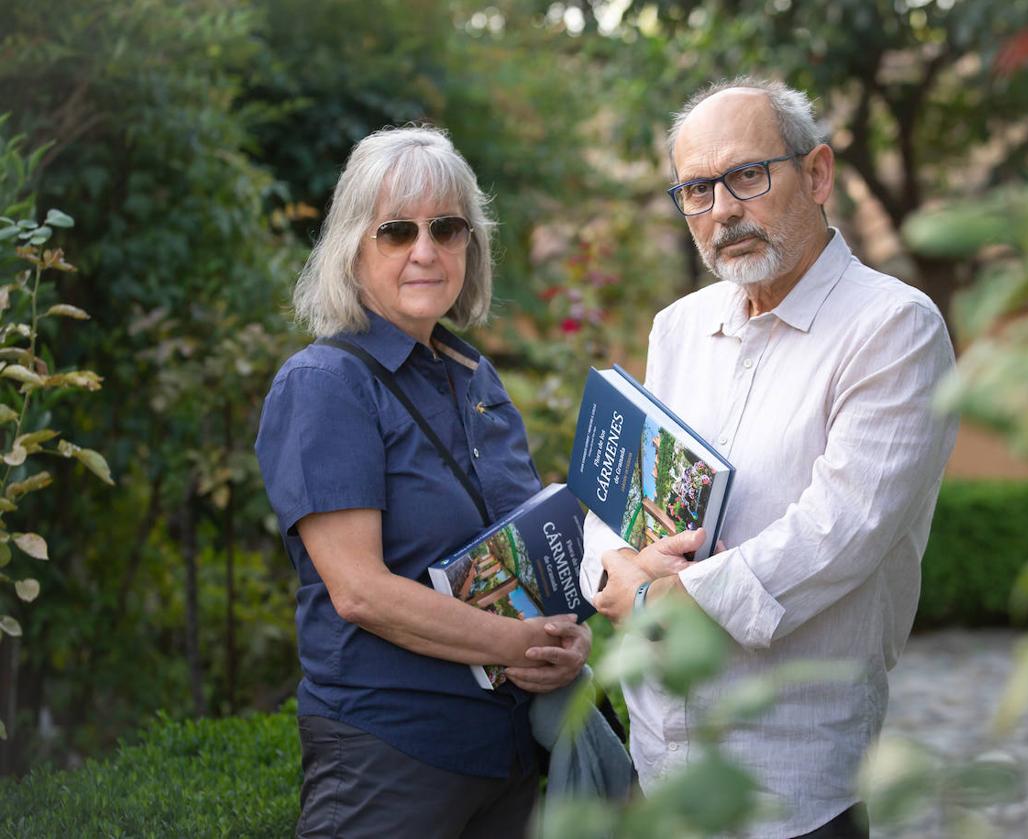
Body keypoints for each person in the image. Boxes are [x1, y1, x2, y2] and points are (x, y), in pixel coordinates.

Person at [582, 77, 958, 838]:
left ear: (816, 174)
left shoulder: (894, 328)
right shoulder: (678, 328)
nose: (722, 210)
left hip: (792, 779)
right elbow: (620, 488)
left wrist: (663, 604)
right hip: (661, 759)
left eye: (747, 176)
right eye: (696, 189)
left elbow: (838, 533)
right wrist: (612, 567)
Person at [255, 126, 590, 839]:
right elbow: (360, 591)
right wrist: (517, 643)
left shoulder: (476, 377)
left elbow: (516, 558)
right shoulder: (326, 384)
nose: (425, 250)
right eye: (396, 231)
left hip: (505, 757)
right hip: (391, 757)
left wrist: (563, 639)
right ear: (353, 246)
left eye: (447, 227)